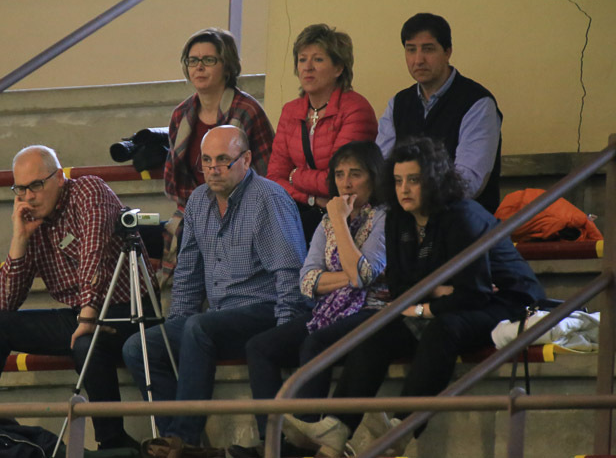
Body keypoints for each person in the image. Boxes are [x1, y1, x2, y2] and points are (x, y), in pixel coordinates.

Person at [283, 137, 544, 456]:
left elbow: (472, 293)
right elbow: (399, 284)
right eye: (397, 181)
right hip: (451, 300)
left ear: (433, 180)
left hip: (507, 301)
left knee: (443, 328)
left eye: (413, 180)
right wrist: (435, 291)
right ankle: (337, 427)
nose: (404, 189)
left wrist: (422, 308)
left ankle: (401, 425)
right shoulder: (398, 218)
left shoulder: (462, 215)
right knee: (374, 332)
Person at [0, 145, 154, 451]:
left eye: (35, 185)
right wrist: (20, 239)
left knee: (86, 343)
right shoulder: (32, 220)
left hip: (129, 312)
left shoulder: (88, 191)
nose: (28, 197)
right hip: (79, 314)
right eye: (20, 189)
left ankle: (112, 442)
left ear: (58, 178)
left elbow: (93, 255)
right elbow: (6, 303)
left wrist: (88, 314)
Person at [123, 125, 309, 450]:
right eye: (206, 161)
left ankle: (183, 439)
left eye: (223, 160)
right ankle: (173, 437)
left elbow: (289, 275)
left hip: (266, 311)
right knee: (138, 346)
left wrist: (284, 335)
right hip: (219, 319)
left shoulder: (268, 198)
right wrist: (176, 326)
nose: (213, 169)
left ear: (246, 159)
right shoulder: (198, 201)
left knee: (199, 327)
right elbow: (188, 273)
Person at [228, 141, 389, 458]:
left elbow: (363, 275)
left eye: (355, 174)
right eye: (340, 174)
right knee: (259, 347)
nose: (346, 183)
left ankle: (307, 440)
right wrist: (347, 275)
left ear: (374, 177)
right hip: (329, 309)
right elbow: (307, 281)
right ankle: (274, 443)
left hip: (372, 308)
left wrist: (340, 222)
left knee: (314, 342)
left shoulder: (383, 218)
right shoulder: (328, 220)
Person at [161, 27, 275, 283]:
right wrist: (200, 211)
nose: (199, 67)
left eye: (209, 60)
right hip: (195, 210)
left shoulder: (247, 111)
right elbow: (174, 180)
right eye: (193, 60)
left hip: (243, 211)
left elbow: (267, 176)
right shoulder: (181, 114)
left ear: (227, 66)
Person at [376, 13, 503, 213]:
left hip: (461, 219)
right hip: (406, 217)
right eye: (411, 50)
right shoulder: (398, 104)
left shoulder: (477, 103)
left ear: (447, 52)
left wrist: (414, 200)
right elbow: (381, 171)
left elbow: (468, 182)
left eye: (428, 49)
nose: (418, 60)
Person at [267, 23, 378, 244]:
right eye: (302, 59)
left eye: (318, 59)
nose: (307, 67)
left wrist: (295, 175)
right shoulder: (290, 111)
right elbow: (274, 178)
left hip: (347, 215)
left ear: (338, 68)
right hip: (300, 210)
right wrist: (311, 199)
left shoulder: (355, 109)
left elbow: (337, 181)